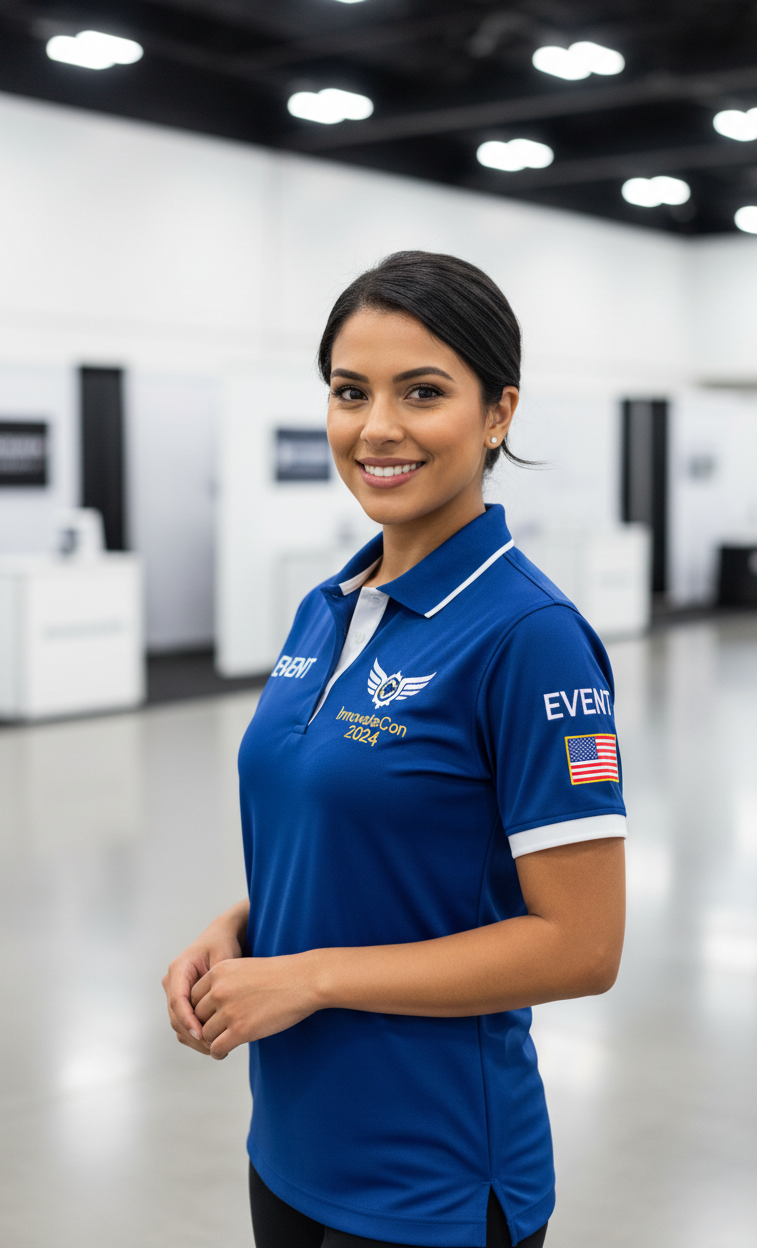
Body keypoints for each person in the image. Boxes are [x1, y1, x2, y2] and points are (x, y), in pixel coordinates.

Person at [163, 251, 626, 1248]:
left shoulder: (527, 635)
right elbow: (368, 839)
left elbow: (582, 946)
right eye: (348, 391)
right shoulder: (325, 607)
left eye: (422, 392)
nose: (376, 427)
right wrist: (242, 928)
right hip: (290, 1142)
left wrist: (312, 976)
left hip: (433, 1178)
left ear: (497, 412)